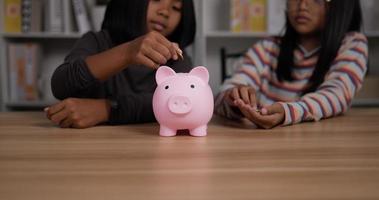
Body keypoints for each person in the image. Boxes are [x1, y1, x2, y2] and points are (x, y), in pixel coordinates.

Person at [215, 0, 368, 129]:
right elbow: (221, 97)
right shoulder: (267, 47)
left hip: (320, 150)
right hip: (267, 148)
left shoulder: (353, 44)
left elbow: (337, 94)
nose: (302, 5)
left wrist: (287, 112)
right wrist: (234, 99)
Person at [45, 0, 196, 128]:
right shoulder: (97, 42)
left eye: (176, 8)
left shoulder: (176, 57)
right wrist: (128, 52)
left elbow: (179, 102)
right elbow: (61, 85)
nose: (165, 12)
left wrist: (106, 109)